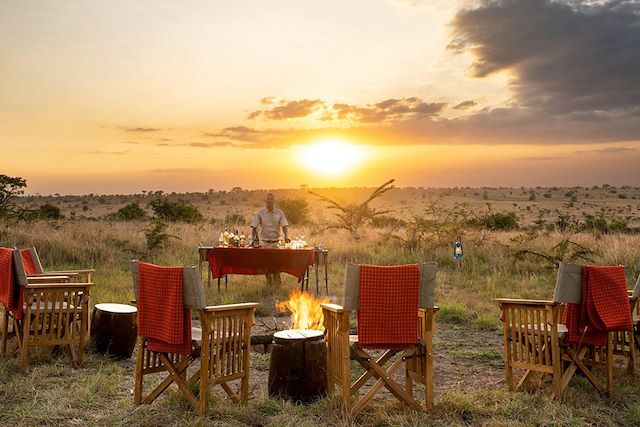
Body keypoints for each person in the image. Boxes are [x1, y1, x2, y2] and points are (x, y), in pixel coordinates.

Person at [250, 192, 290, 286]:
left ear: (274, 201)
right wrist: (254, 240)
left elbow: (284, 225)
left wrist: (286, 236)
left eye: (271, 199)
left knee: (276, 264)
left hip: (276, 242)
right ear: (266, 201)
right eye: (268, 199)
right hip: (264, 242)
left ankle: (277, 284)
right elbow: (254, 227)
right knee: (266, 264)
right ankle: (269, 283)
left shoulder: (279, 212)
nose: (270, 201)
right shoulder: (261, 213)